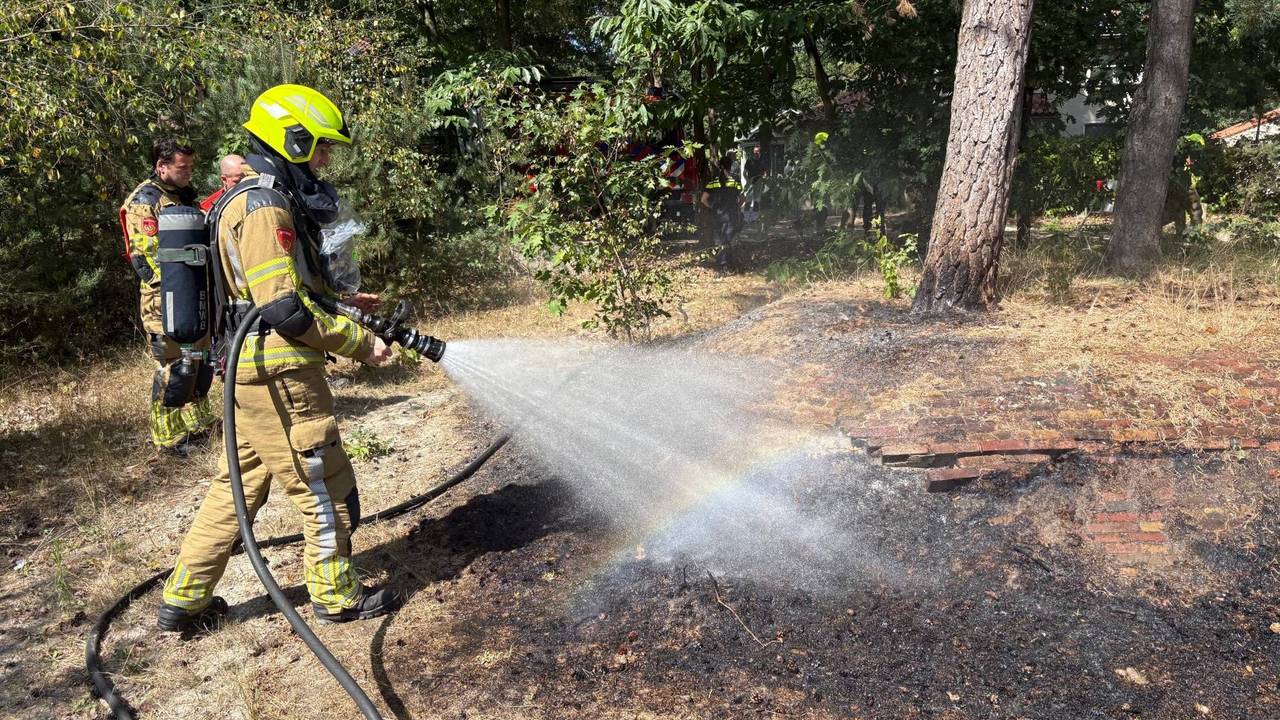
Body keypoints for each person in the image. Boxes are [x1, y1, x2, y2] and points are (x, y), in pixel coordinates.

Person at [157, 84, 396, 632]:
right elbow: (283, 308)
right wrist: (358, 342)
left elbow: (272, 292)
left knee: (235, 486)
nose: (326, 158)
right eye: (320, 146)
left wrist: (342, 302)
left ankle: (184, 598)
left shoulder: (254, 197)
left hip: (249, 371)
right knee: (323, 483)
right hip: (279, 371)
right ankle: (337, 596)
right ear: (293, 138)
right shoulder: (264, 204)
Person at [118, 139, 219, 453]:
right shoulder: (144, 201)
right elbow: (144, 257)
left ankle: (199, 424)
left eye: (191, 166)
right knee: (176, 365)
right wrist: (181, 279)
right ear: (161, 167)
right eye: (182, 167)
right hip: (166, 300)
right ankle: (168, 437)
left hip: (195, 294)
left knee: (200, 362)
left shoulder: (184, 197)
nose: (189, 172)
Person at [700, 155, 745, 270]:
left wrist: (712, 207)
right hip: (731, 215)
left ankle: (723, 265)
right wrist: (737, 207)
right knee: (727, 240)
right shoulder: (735, 180)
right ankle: (725, 264)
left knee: (721, 240)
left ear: (720, 166)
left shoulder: (713, 181)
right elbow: (743, 198)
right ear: (730, 166)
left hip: (717, 215)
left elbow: (703, 199)